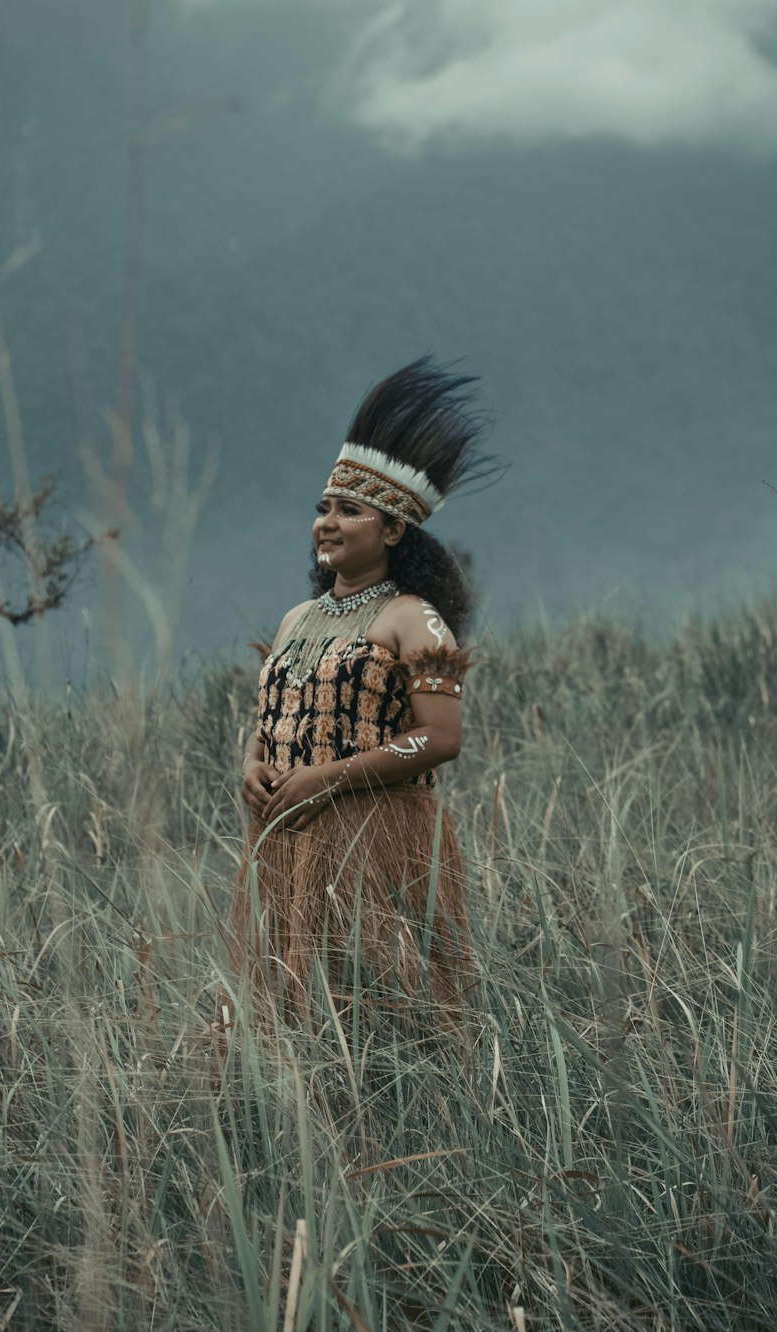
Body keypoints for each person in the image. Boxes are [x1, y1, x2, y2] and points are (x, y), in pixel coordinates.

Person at [230, 358, 491, 1030]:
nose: (326, 522)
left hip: (376, 838)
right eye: (323, 509)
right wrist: (253, 765)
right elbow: (271, 719)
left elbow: (442, 738)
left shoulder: (413, 617)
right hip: (287, 837)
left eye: (349, 511)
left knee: (394, 1010)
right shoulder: (296, 620)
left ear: (393, 530)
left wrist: (328, 779)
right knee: (293, 1014)